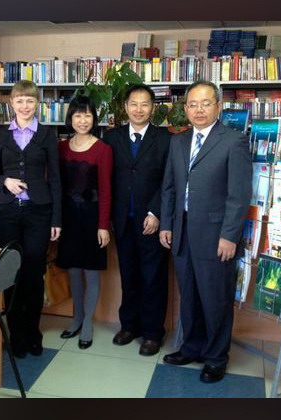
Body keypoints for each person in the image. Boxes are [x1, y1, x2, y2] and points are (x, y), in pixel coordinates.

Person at [159, 81, 251, 383]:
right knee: (189, 296)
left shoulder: (233, 141)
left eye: (206, 103)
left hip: (215, 236)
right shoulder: (178, 141)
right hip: (182, 231)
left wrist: (229, 236)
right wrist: (167, 224)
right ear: (185, 108)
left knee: (215, 299)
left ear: (218, 106)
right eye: (193, 104)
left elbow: (239, 195)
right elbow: (169, 187)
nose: (199, 110)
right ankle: (192, 348)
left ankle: (215, 357)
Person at [0, 80, 62, 358]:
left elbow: (56, 178)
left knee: (33, 273)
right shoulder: (0, 135)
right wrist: (4, 181)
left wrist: (56, 219)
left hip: (38, 213)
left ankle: (33, 331)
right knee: (12, 273)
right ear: (11, 104)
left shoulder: (47, 134)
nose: (25, 106)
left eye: (30, 100)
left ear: (37, 103)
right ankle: (16, 333)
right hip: (7, 213)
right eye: (20, 101)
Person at [102, 85, 171, 356]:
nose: (138, 109)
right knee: (128, 275)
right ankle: (129, 326)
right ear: (125, 107)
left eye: (144, 104)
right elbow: (107, 180)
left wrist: (155, 212)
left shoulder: (165, 139)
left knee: (153, 278)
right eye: (133, 104)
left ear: (152, 107)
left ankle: (153, 333)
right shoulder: (112, 138)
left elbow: (169, 180)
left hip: (151, 222)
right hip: (122, 220)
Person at [56, 96, 112, 350]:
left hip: (92, 217)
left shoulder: (103, 149)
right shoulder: (61, 147)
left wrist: (103, 225)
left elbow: (106, 190)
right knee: (73, 271)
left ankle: (88, 322)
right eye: (78, 115)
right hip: (68, 218)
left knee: (91, 271)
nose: (83, 120)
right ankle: (77, 318)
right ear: (71, 118)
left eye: (87, 115)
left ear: (94, 119)